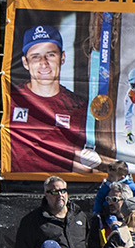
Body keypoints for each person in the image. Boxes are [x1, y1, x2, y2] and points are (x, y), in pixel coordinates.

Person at [6, 23, 85, 173]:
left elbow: (81, 161)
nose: (43, 63)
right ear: (25, 63)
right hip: (15, 182)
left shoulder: (79, 107)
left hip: (61, 183)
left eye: (50, 55)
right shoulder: (10, 99)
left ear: (62, 58)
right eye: (35, 56)